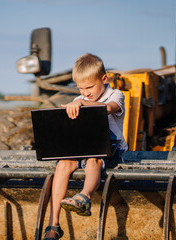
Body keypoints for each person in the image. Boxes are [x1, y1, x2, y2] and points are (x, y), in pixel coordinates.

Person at [43, 53, 128, 240]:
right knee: (63, 164)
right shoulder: (79, 99)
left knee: (93, 161)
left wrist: (82, 102)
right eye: (81, 88)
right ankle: (53, 225)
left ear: (104, 78)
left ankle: (84, 196)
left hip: (110, 149)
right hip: (84, 145)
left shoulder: (116, 95)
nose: (85, 92)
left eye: (89, 87)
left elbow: (109, 108)